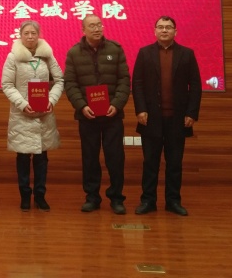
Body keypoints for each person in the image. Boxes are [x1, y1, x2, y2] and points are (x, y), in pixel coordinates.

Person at [132, 16, 202, 217]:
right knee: (150, 163)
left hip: (178, 119)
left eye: (168, 27)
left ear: (175, 31)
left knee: (175, 163)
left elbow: (195, 85)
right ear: (154, 31)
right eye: (160, 27)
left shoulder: (187, 54)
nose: (164, 30)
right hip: (150, 118)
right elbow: (137, 83)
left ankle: (173, 201)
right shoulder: (145, 53)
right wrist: (140, 109)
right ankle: (148, 201)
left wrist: (191, 113)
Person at [63, 14, 131, 214]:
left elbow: (124, 80)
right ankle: (92, 197)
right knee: (90, 158)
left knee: (115, 158)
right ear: (83, 30)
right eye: (92, 26)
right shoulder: (74, 53)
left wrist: (116, 104)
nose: (97, 29)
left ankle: (116, 198)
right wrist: (82, 106)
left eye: (99, 25)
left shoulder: (115, 49)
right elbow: (70, 84)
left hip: (112, 116)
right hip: (88, 116)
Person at [1, 20, 65, 211]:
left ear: (39, 35)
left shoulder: (47, 56)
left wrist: (51, 100)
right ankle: (24, 196)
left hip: (44, 114)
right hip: (22, 115)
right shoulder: (13, 57)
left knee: (41, 158)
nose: (30, 37)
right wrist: (22, 104)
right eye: (26, 33)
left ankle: (40, 195)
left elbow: (59, 80)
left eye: (33, 33)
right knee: (22, 158)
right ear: (20, 35)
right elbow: (7, 85)